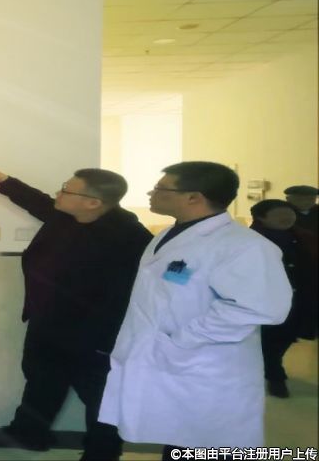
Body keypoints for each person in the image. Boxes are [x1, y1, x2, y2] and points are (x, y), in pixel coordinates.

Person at [98, 162, 292, 460]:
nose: (151, 193)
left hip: (204, 367)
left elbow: (261, 308)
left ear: (193, 197)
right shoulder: (169, 235)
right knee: (179, 441)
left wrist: (182, 339)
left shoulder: (245, 246)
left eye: (161, 188)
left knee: (205, 445)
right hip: (171, 363)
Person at [0, 167, 152, 461]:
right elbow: (39, 202)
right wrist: (3, 180)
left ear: (93, 202)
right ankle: (28, 433)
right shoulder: (67, 217)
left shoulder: (130, 238)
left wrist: (100, 338)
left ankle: (101, 452)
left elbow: (126, 296)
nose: (58, 193)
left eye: (66, 190)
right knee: (41, 380)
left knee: (99, 394)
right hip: (48, 320)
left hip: (93, 332)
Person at [249, 199, 319, 398]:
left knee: (286, 337)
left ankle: (272, 369)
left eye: (290, 213)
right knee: (269, 339)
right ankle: (275, 376)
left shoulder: (304, 237)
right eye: (279, 214)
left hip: (301, 297)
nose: (287, 218)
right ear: (261, 217)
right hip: (265, 299)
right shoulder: (250, 240)